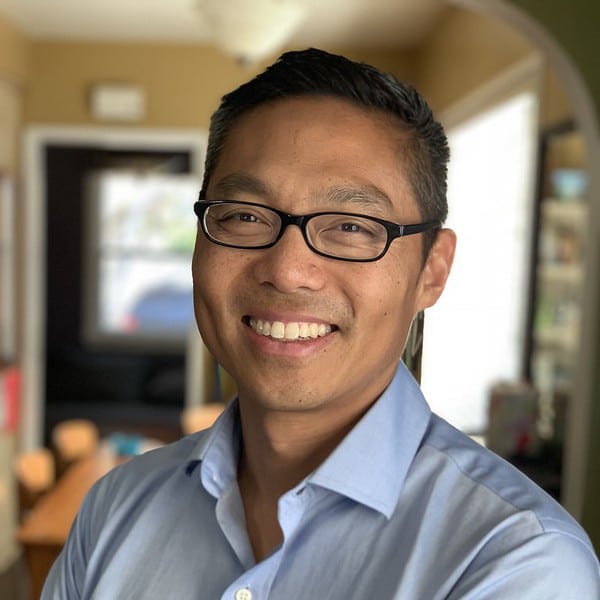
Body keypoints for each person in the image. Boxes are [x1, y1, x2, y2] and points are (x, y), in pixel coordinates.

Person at [43, 48, 599, 599]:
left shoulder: (516, 562)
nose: (287, 271)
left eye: (352, 226)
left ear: (432, 270)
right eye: (245, 216)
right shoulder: (115, 511)